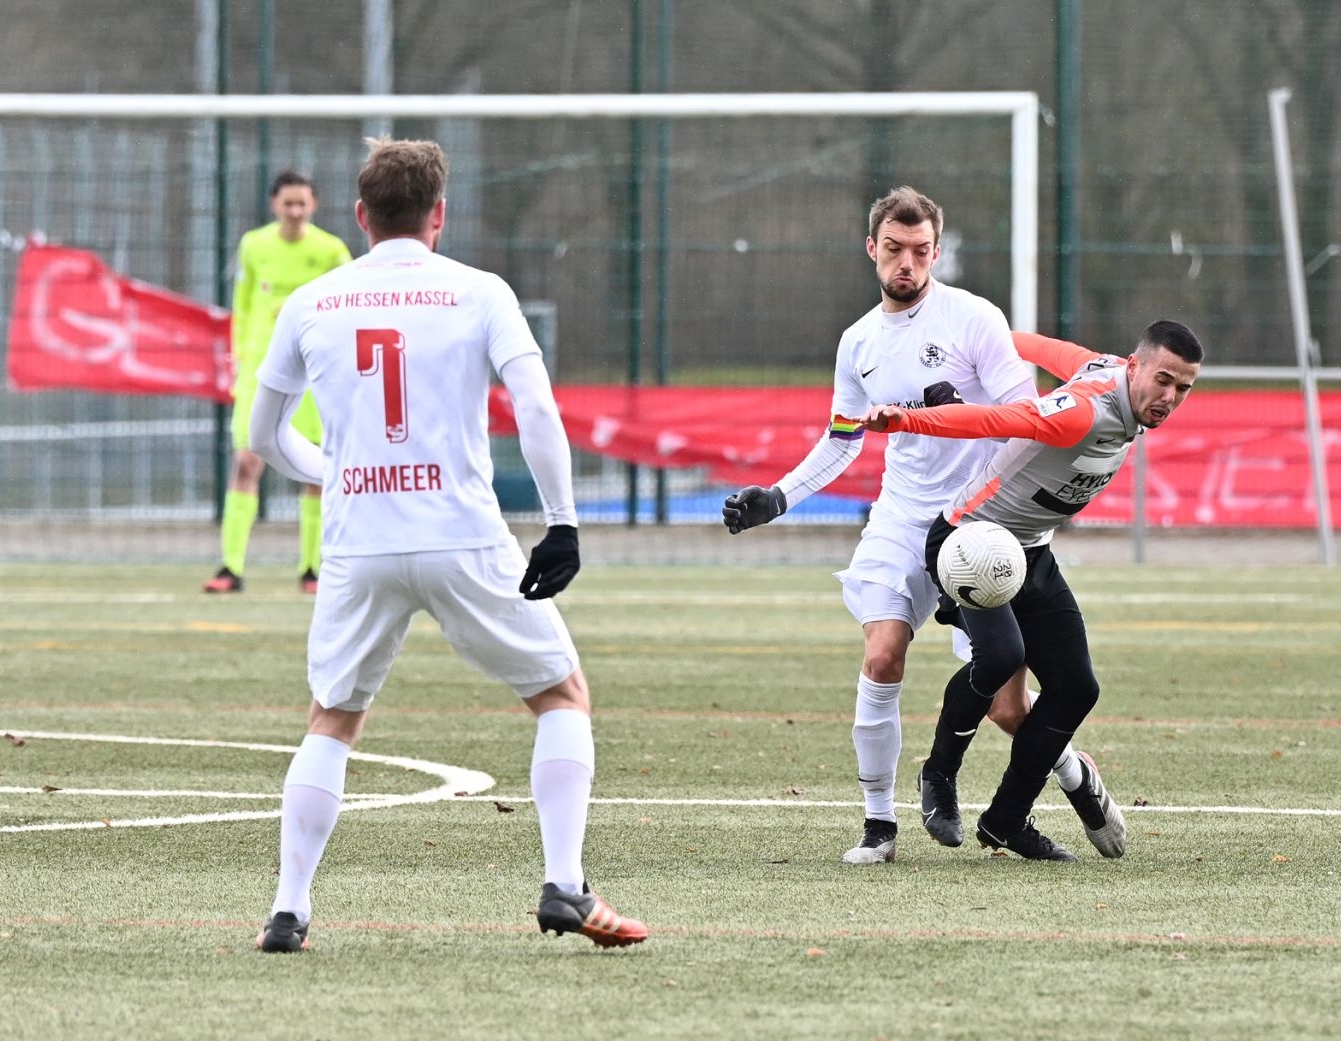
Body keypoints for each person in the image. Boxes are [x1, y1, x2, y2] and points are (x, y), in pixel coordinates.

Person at [245, 138, 647, 953]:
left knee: (332, 719)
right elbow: (535, 407)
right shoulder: (479, 291)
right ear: (440, 216)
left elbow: (265, 438)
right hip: (462, 535)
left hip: (359, 542)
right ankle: (564, 884)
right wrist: (562, 521)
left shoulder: (313, 301)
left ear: (359, 217)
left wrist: (337, 473)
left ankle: (288, 911)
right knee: (561, 697)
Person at [720, 187, 1119, 865]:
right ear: (871, 248)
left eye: (921, 250)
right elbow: (843, 438)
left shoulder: (975, 318)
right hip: (902, 517)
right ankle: (879, 825)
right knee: (882, 656)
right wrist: (779, 497)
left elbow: (1027, 419)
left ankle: (1076, 775)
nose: (907, 262)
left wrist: (956, 409)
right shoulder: (858, 342)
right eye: (895, 249)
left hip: (977, 526)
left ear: (936, 251)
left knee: (1008, 709)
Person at [859, 319, 1203, 859]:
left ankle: (1006, 822)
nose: (1170, 397)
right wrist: (905, 418)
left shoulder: (1113, 374)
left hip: (1029, 553)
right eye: (1163, 381)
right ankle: (938, 775)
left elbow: (1045, 348)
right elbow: (995, 419)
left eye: (1183, 387)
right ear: (1135, 367)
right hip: (969, 540)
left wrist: (989, 334)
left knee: (1076, 688)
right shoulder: (1083, 413)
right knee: (1000, 656)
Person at [204, 170, 352, 595]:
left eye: (301, 203)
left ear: (313, 205)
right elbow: (243, 304)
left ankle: (312, 569)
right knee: (246, 461)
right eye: (288, 203)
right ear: (274, 205)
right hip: (260, 368)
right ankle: (231, 567)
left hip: (313, 372)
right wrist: (239, 355)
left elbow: (345, 307)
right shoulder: (254, 245)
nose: (295, 211)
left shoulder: (330, 250)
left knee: (317, 471)